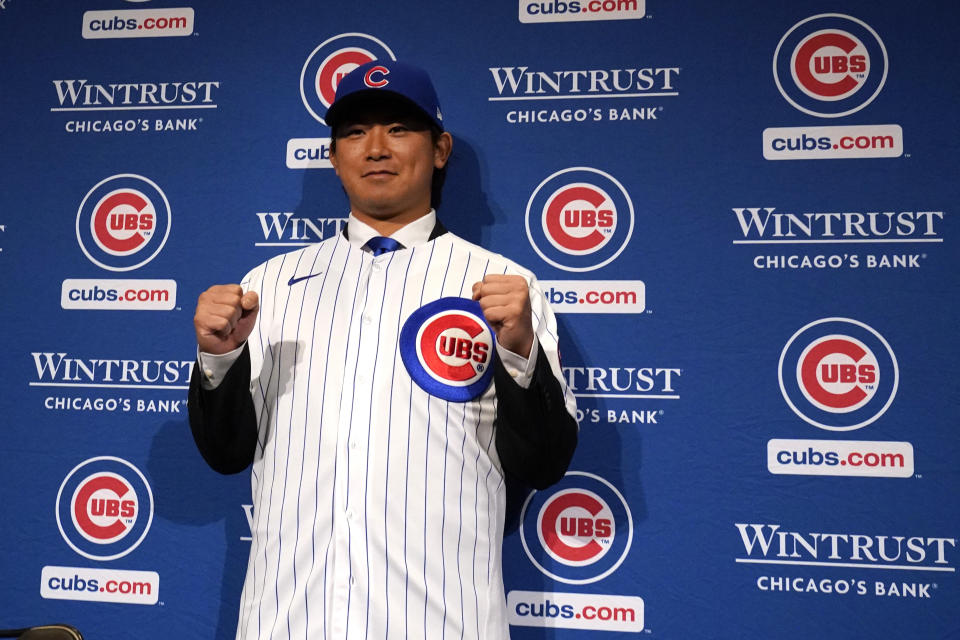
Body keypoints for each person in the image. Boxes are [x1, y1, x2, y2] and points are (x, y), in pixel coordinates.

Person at [188, 60, 578, 640]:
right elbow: (226, 453)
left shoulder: (502, 286)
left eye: (398, 128)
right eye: (353, 132)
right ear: (332, 157)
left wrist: (519, 353)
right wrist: (218, 360)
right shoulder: (267, 285)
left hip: (444, 621)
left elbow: (542, 465)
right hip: (288, 618)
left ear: (440, 148)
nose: (374, 148)